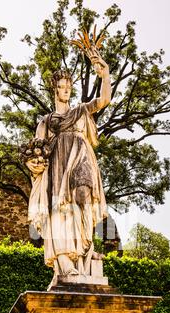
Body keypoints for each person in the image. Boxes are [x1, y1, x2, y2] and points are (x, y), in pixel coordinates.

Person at [26, 48, 111, 278]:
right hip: (57, 165)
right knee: (60, 209)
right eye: (62, 87)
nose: (66, 90)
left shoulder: (81, 111)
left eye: (68, 87)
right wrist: (33, 166)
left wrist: (105, 74)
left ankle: (85, 247)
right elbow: (35, 152)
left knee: (83, 195)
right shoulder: (46, 121)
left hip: (81, 157)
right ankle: (65, 260)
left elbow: (104, 100)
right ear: (55, 90)